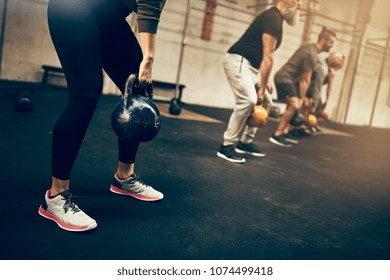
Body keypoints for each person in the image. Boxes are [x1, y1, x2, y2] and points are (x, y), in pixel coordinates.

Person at [38, 0, 166, 232]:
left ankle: (124, 178)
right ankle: (56, 196)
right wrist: (148, 58)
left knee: (138, 89)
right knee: (86, 93)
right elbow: (149, 4)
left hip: (106, 18)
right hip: (72, 8)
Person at [217, 0, 302, 163]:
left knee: (267, 104)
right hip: (238, 61)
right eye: (298, 0)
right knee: (248, 100)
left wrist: (265, 80)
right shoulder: (273, 18)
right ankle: (227, 146)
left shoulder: (278, 19)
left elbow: (263, 55)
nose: (300, 4)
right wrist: (261, 89)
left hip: (252, 68)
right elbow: (268, 56)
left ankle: (245, 142)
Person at [269, 27, 337, 147]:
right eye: (331, 42)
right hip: (284, 77)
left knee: (295, 105)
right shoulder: (311, 54)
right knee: (295, 104)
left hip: (289, 79)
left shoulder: (311, 49)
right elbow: (305, 80)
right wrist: (301, 99)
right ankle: (277, 134)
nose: (332, 46)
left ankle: (284, 132)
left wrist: (304, 99)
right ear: (323, 40)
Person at [309, 52, 345, 133]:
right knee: (316, 107)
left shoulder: (331, 70)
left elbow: (328, 87)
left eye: (341, 61)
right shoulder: (323, 66)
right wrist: (325, 102)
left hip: (313, 87)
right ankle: (309, 125)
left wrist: (325, 102)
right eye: (339, 60)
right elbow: (326, 87)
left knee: (319, 108)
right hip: (311, 87)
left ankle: (312, 125)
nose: (340, 62)